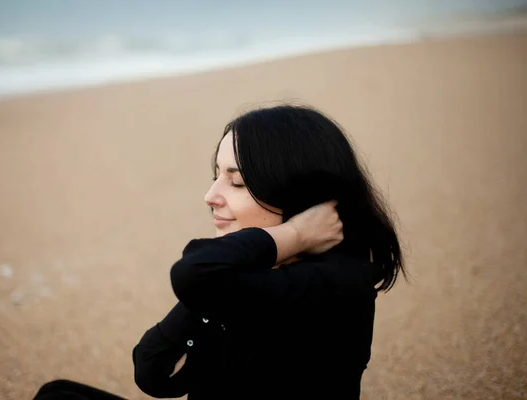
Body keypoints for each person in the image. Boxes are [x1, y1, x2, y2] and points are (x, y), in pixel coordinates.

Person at [33, 104, 405, 400]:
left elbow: (194, 271)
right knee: (58, 396)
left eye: (237, 181)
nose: (211, 196)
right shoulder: (248, 279)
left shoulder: (335, 285)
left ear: (298, 194)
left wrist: (293, 233)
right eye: (216, 174)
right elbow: (153, 372)